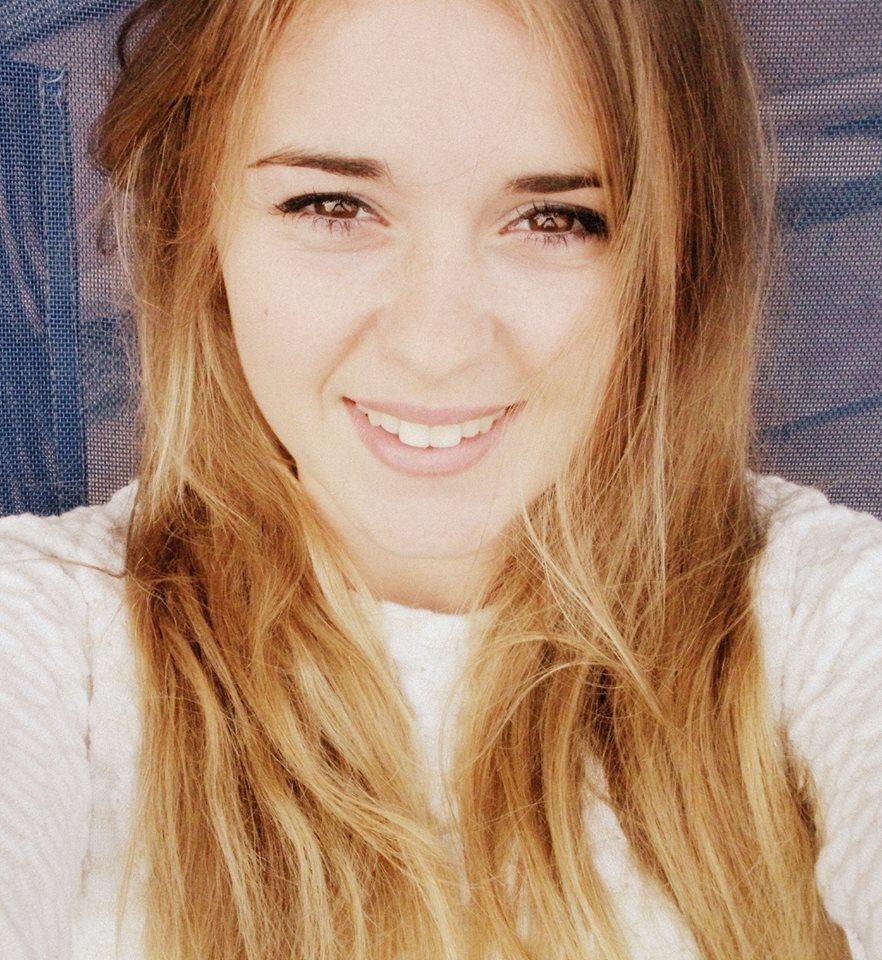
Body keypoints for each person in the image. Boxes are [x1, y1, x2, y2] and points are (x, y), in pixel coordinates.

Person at [0, 0, 879, 958]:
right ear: (198, 226)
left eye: (555, 219)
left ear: (673, 264)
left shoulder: (822, 613)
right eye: (333, 207)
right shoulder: (47, 635)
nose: (436, 345)